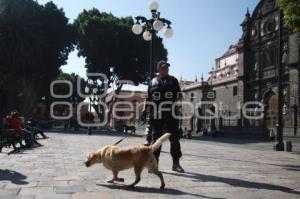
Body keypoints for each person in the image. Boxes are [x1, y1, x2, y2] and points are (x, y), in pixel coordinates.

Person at [143, 60, 184, 173]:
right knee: (156, 141)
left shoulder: (173, 81)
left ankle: (176, 164)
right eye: (163, 67)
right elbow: (148, 98)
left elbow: (179, 96)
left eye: (167, 68)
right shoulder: (152, 82)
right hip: (156, 116)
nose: (166, 69)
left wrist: (170, 104)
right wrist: (144, 111)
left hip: (171, 115)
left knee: (174, 140)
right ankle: (154, 165)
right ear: (158, 69)